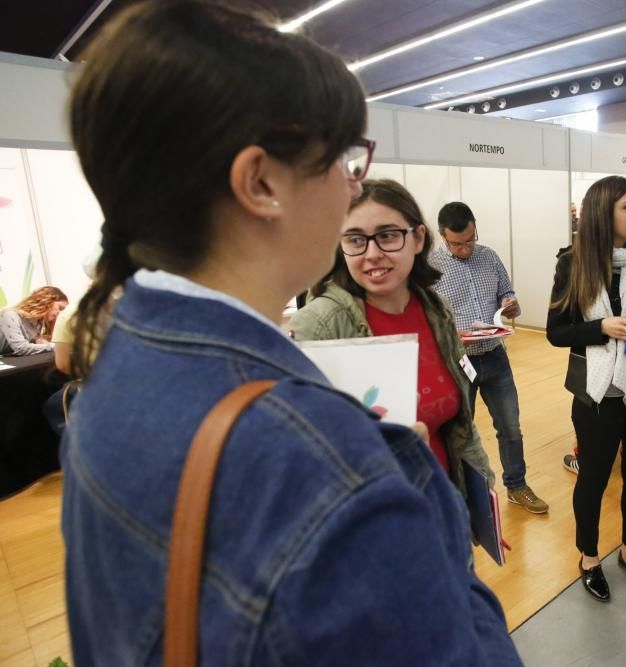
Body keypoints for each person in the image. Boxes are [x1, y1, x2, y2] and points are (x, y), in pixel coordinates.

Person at [61, 3, 519, 664]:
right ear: (260, 182)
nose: (350, 188)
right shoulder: (328, 468)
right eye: (342, 159)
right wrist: (409, 482)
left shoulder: (116, 360)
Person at [289, 182, 496, 500]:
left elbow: (460, 424)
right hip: (380, 519)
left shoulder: (436, 309)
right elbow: (303, 456)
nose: (372, 254)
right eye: (356, 239)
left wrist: (482, 489)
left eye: (387, 235)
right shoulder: (319, 325)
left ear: (417, 238)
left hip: (446, 503)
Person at [547, 175, 626, 602]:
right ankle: (589, 557)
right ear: (605, 213)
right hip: (596, 395)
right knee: (594, 480)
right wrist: (601, 326)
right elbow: (556, 332)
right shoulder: (573, 264)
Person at [430, 200, 549, 514]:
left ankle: (517, 485)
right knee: (460, 433)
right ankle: (464, 497)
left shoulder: (490, 257)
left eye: (470, 240)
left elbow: (509, 298)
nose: (465, 248)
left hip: (495, 356)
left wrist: (510, 305)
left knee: (510, 426)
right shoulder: (429, 268)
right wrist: (447, 336)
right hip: (458, 362)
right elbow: (428, 320)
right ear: (442, 236)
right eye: (456, 244)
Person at [0, 286, 67, 356]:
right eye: (60, 308)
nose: (60, 313)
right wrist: (56, 347)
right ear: (47, 301)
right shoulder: (10, 315)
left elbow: (26, 340)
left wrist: (36, 340)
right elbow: (20, 348)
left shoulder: (38, 322)